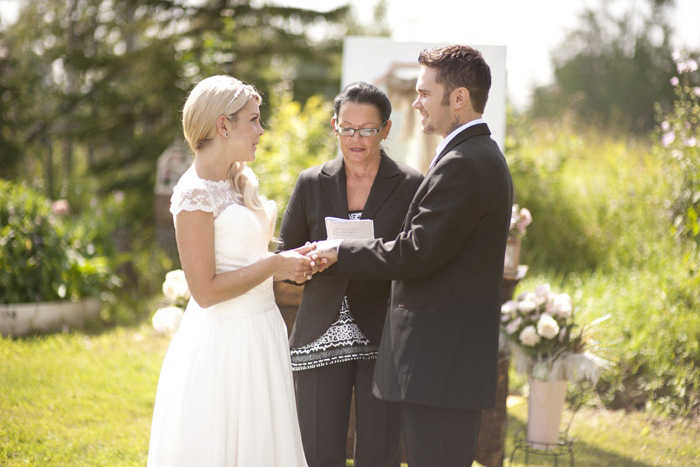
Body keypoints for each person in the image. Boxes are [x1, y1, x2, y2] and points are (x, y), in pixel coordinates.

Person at [313, 45, 513, 466]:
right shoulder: (472, 155)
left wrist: (339, 251)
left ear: (458, 98)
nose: (416, 103)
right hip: (443, 366)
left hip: (440, 366)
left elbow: (415, 252)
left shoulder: (465, 162)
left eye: (424, 93)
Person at [147, 75, 312, 466]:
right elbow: (204, 291)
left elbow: (244, 252)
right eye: (253, 120)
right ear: (224, 125)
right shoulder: (193, 194)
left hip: (263, 331)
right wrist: (274, 266)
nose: (261, 130)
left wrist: (293, 259)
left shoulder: (238, 182)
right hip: (223, 343)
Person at [279, 82, 423, 466]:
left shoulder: (411, 185)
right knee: (317, 452)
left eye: (367, 130)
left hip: (385, 337)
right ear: (335, 126)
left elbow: (415, 257)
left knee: (379, 454)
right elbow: (283, 254)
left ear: (386, 130)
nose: (355, 139)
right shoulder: (311, 182)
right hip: (318, 334)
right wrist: (306, 261)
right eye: (347, 128)